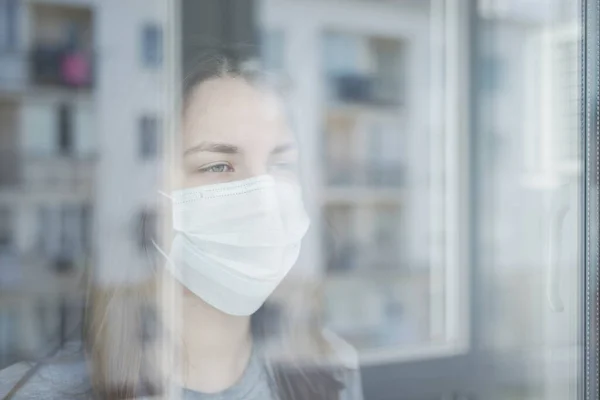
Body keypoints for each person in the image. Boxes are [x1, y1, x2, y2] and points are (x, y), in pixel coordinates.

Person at [0, 53, 362, 400]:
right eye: (218, 166)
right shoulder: (38, 393)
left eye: (281, 164)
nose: (263, 199)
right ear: (152, 197)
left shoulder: (329, 371)